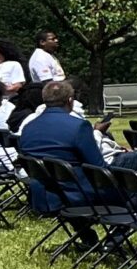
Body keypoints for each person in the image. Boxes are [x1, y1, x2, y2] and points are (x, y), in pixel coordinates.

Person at [15, 80, 108, 210]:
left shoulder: (28, 127)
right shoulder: (79, 126)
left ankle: (84, 231)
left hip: (43, 195)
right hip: (79, 195)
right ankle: (121, 231)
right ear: (70, 100)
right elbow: (98, 167)